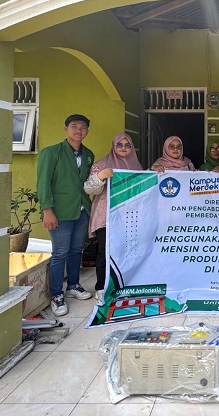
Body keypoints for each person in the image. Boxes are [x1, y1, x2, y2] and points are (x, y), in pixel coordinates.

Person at [36, 114, 94, 316]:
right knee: (60, 253)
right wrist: (47, 210)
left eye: (83, 127)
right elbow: (43, 183)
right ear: (66, 129)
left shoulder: (88, 154)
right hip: (59, 212)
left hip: (81, 210)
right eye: (74, 126)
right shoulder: (51, 152)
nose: (79, 130)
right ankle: (56, 295)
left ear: (87, 131)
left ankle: (73, 285)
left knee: (77, 250)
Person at [84, 133, 143, 304]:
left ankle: (123, 284)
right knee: (104, 252)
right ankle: (101, 287)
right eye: (120, 145)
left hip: (128, 217)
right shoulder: (102, 165)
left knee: (126, 251)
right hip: (106, 217)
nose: (123, 148)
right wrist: (100, 176)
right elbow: (89, 189)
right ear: (113, 146)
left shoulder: (136, 167)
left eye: (127, 145)